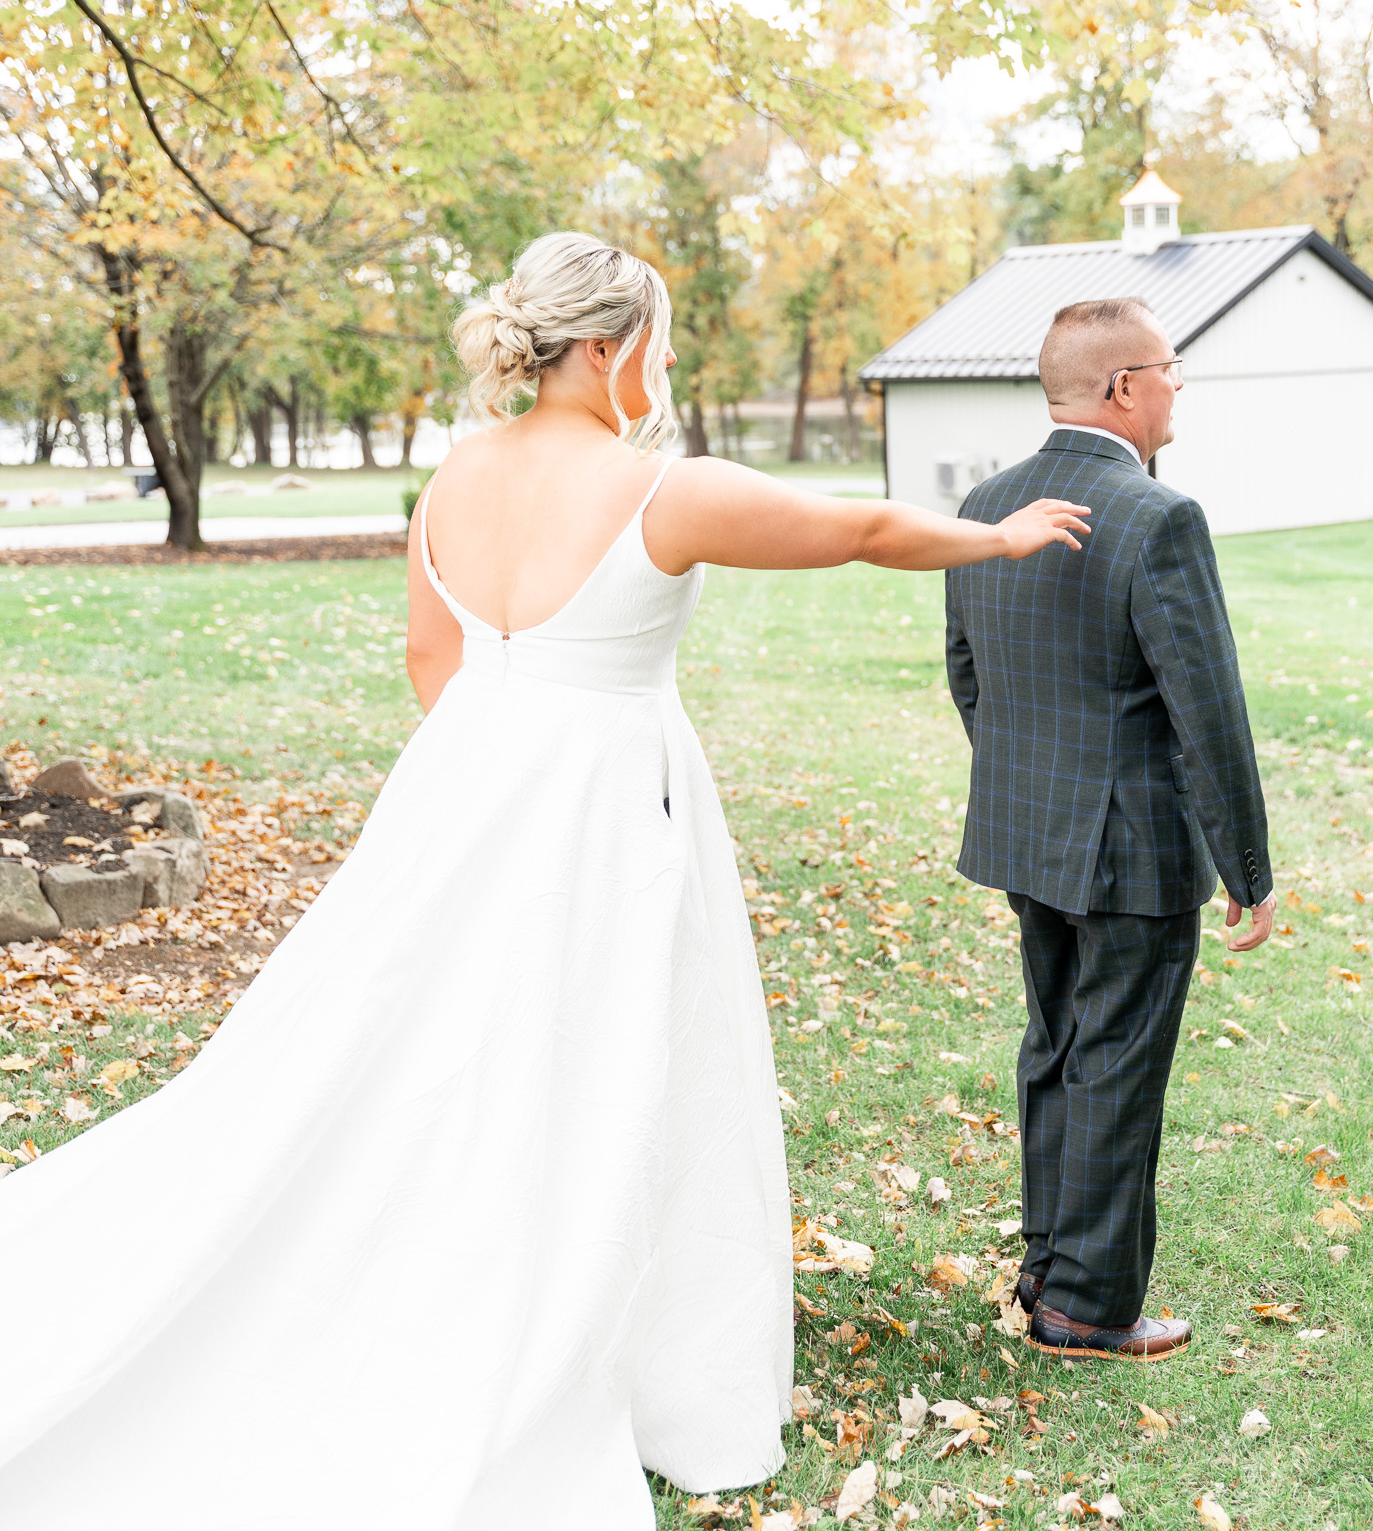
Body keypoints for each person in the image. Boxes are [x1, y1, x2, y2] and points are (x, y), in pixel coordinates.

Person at [0, 231, 1089, 1527]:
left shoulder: (455, 476)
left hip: (459, 789)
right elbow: (852, 526)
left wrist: (490, 772)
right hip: (609, 808)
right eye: (664, 346)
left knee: (423, 1046)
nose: (668, 367)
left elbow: (429, 654)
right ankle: (598, 1329)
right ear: (612, 347)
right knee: (603, 1054)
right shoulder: (655, 490)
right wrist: (1003, 539)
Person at [943, 296, 1275, 1363]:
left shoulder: (985, 504)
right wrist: (1249, 868)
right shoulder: (1155, 516)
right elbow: (1206, 708)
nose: (1179, 387)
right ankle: (1086, 1305)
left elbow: (966, 676)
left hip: (1025, 834)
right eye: (1171, 369)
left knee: (1055, 1047)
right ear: (1124, 386)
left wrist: (1024, 786)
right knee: (1115, 1063)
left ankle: (1047, 1261)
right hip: (1130, 848)